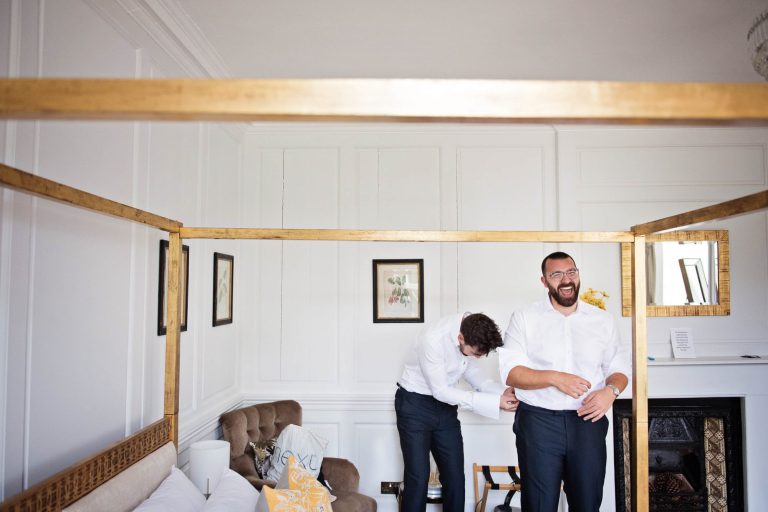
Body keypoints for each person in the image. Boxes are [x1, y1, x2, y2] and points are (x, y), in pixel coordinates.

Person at [499, 251, 631, 512]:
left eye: (571, 272)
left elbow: (619, 369)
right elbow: (511, 373)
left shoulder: (602, 320)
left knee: (587, 503)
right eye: (556, 274)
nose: (566, 279)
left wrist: (611, 391)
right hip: (538, 423)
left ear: (578, 275)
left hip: (588, 423)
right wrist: (554, 378)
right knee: (538, 505)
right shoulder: (524, 317)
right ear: (544, 281)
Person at [396, 312, 519, 512]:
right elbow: (441, 391)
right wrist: (496, 402)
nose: (478, 358)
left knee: (454, 475)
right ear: (460, 338)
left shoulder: (472, 328)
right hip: (414, 405)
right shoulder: (433, 339)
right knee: (418, 476)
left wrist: (502, 392)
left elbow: (473, 374)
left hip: (445, 408)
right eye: (476, 353)